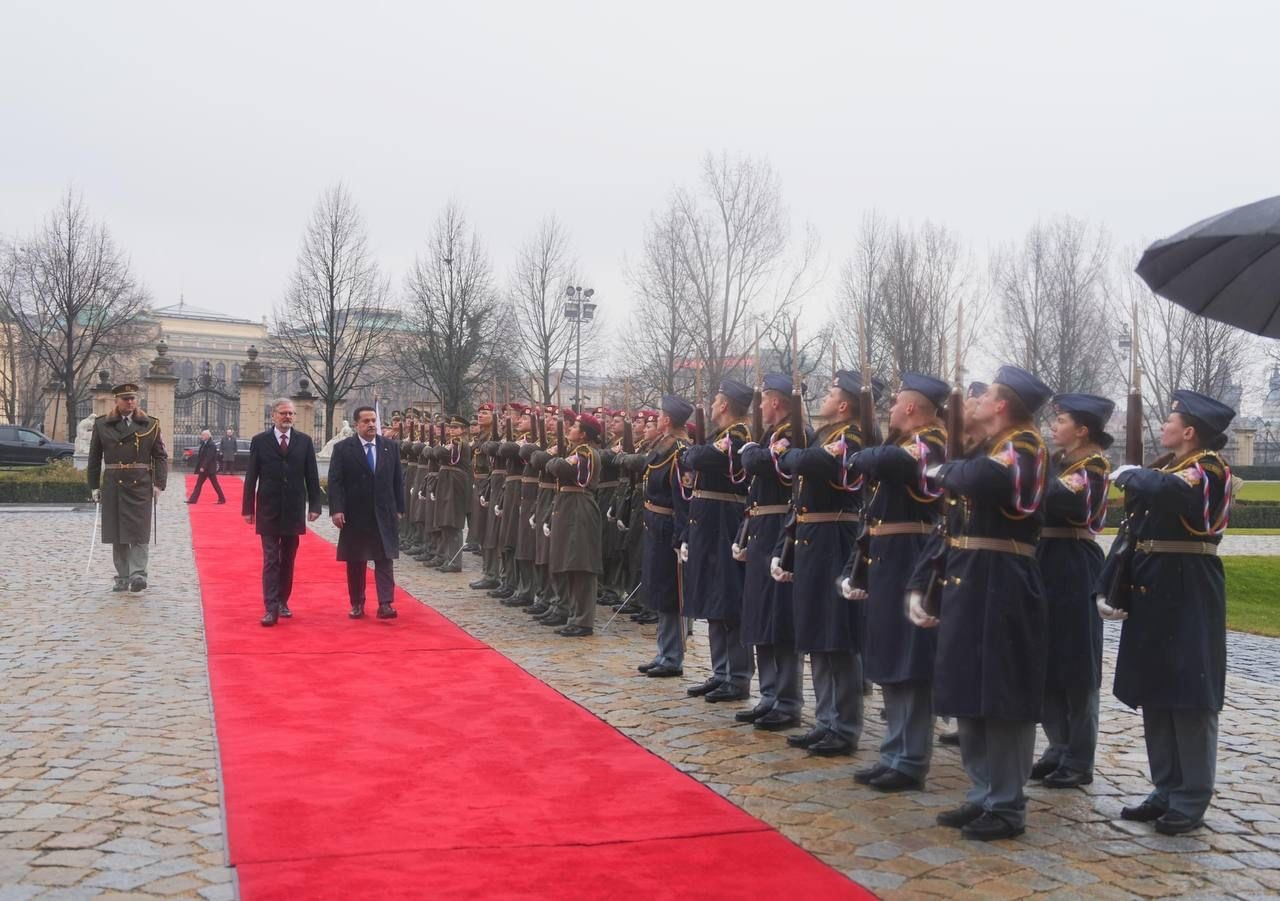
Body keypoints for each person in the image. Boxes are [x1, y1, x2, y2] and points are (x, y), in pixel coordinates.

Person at [913, 366, 1051, 841]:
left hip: (1004, 579)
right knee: (967, 688)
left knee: (1001, 692)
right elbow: (948, 524)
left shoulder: (1026, 446)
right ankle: (982, 792)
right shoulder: (985, 450)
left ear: (1002, 405)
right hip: (967, 578)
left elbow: (985, 480)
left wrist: (948, 468)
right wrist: (921, 582)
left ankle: (1008, 802)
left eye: (985, 395)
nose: (975, 401)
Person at [1099, 390, 1235, 836]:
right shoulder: (1166, 468)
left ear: (1190, 431)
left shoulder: (1208, 467)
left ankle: (1191, 797)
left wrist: (1135, 474)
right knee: (1156, 690)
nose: (1163, 426)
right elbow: (1133, 530)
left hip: (1188, 585)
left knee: (1189, 692)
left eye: (1170, 420)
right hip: (1154, 584)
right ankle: (1165, 788)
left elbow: (1174, 493)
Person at [839, 374, 948, 791]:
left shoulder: (931, 441)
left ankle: (912, 758)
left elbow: (885, 464)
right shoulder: (905, 442)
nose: (889, 409)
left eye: (895, 403)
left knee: (911, 659)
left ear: (911, 408)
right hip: (888, 552)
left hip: (911, 551)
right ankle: (894, 751)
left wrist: (864, 454)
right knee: (887, 653)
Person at [1030, 393, 1113, 790]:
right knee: (1046, 658)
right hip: (1046, 558)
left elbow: (1061, 498)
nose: (1053, 426)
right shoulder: (1060, 463)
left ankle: (1079, 757)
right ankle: (1057, 746)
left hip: (1074, 561)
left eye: (1061, 421)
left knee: (1077, 665)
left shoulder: (1092, 466)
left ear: (1082, 430)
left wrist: (1027, 475)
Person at [737, 374, 811, 731]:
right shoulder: (770, 436)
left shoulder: (792, 433)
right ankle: (768, 696)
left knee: (780, 620)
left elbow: (760, 464)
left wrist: (751, 451)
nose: (760, 407)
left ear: (777, 401)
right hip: (760, 529)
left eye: (764, 401)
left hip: (780, 526)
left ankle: (788, 700)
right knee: (759, 617)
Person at [680, 379, 754, 703]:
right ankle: (720, 671)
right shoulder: (721, 436)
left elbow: (700, 459)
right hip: (708, 523)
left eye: (715, 401)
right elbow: (695, 457)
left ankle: (737, 677)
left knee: (728, 599)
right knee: (712, 599)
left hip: (724, 522)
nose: (711, 407)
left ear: (724, 405)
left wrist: (692, 453)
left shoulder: (738, 436)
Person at [616, 396, 692, 675]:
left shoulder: (681, 451)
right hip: (653, 522)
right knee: (660, 590)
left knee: (671, 592)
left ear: (668, 420)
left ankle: (673, 657)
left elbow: (684, 498)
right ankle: (664, 651)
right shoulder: (663, 447)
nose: (657, 419)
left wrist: (682, 536)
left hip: (668, 525)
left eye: (660, 415)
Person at [243, 398, 322, 627]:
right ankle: (270, 607)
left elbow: (312, 476)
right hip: (268, 508)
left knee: (288, 559)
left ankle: (282, 601)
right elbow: (251, 476)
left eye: (291, 413)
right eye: (283, 413)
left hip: (294, 509)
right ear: (273, 416)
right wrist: (248, 508)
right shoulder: (260, 441)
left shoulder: (304, 442)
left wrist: (315, 505)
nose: (288, 417)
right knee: (270, 559)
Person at [87, 383, 169, 592]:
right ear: (116, 401)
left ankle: (138, 574)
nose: (130, 402)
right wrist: (94, 486)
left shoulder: (150, 424)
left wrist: (159, 484)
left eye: (133, 398)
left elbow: (160, 456)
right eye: (126, 399)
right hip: (114, 483)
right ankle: (122, 576)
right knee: (118, 533)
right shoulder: (102, 424)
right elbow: (95, 458)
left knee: (139, 532)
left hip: (140, 483)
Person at [328, 405, 406, 619]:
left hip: (384, 511)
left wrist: (399, 507)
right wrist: (336, 510)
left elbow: (397, 479)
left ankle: (385, 603)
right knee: (356, 560)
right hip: (355, 513)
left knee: (384, 559)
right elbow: (335, 482)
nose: (371, 424)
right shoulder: (344, 448)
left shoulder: (390, 446)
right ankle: (357, 603)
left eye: (373, 420)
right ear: (356, 424)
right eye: (366, 421)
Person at [544, 411, 605, 637]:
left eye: (575, 427)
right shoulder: (577, 451)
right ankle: (573, 615)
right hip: (569, 505)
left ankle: (583, 620)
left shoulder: (585, 452)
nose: (570, 429)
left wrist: (553, 460)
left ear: (583, 435)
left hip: (579, 507)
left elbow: (560, 468)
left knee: (581, 566)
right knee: (568, 563)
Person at [186, 429, 227, 504]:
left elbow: (209, 457)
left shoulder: (211, 445)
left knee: (215, 484)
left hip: (209, 469)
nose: (201, 436)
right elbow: (201, 456)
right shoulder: (203, 443)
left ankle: (222, 499)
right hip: (204, 469)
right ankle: (193, 499)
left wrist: (203, 467)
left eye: (203, 435)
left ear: (208, 436)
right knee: (198, 484)